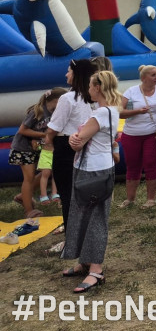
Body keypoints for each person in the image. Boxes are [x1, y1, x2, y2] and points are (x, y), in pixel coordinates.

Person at [62, 70, 122, 293]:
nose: (87, 89)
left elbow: (76, 143)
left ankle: (95, 269)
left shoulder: (101, 114)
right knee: (83, 214)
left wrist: (72, 137)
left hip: (93, 170)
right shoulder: (110, 111)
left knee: (95, 217)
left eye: (90, 86)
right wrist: (75, 138)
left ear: (98, 87)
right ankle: (86, 261)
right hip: (94, 167)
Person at [44, 59, 96, 245]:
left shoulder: (68, 98)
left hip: (66, 144)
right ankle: (83, 233)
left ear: (76, 74)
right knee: (81, 193)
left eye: (68, 71)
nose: (66, 75)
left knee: (67, 194)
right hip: (85, 144)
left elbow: (54, 126)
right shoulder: (91, 98)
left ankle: (72, 238)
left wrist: (48, 141)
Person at [119, 64, 156, 209]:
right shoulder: (131, 92)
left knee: (151, 164)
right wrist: (137, 111)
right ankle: (130, 199)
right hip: (131, 134)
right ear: (143, 78)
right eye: (153, 75)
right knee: (132, 166)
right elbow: (120, 112)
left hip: (153, 134)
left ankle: (151, 199)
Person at [11, 88, 64, 218]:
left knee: (48, 170)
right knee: (28, 178)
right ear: (56, 100)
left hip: (37, 147)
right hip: (23, 148)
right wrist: (43, 135)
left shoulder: (54, 113)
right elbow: (22, 130)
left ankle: (23, 196)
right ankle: (29, 211)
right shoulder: (38, 111)